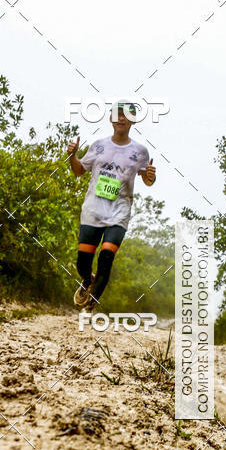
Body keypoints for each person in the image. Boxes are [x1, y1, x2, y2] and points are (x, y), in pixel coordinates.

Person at [67, 103, 156, 309]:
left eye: (126, 116)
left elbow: (148, 179)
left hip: (119, 212)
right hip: (93, 211)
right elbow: (80, 170)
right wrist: (72, 156)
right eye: (118, 115)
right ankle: (87, 281)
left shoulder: (140, 151)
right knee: (83, 263)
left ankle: (91, 306)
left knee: (106, 256)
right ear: (110, 119)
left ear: (133, 121)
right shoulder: (99, 145)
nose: (121, 119)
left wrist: (151, 177)